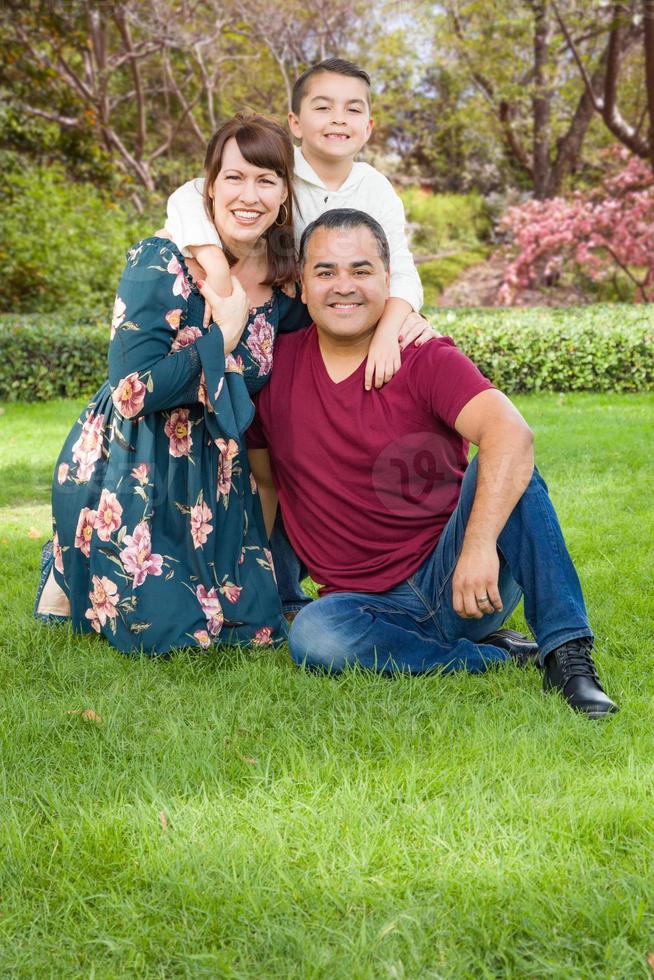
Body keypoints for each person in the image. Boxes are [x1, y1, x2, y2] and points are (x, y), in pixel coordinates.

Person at [242, 208, 618, 719]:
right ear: (302, 288)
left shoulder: (423, 355)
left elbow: (511, 434)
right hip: (363, 605)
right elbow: (266, 485)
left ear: (388, 281)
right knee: (314, 635)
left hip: (464, 578)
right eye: (325, 272)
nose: (343, 286)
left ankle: (568, 654)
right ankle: (487, 655)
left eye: (361, 270)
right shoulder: (274, 368)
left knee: (508, 459)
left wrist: (479, 546)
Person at [35, 113, 316, 655]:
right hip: (138, 462)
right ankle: (72, 556)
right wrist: (224, 335)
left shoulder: (285, 284)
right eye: (234, 178)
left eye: (266, 180)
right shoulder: (160, 258)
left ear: (285, 194)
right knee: (169, 637)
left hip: (220, 478)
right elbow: (131, 392)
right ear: (209, 187)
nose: (248, 195)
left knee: (254, 631)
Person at [165, 59, 425, 392]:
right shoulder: (274, 167)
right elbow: (193, 194)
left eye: (353, 110)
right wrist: (214, 264)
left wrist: (391, 330)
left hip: (334, 317)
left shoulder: (376, 189)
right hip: (273, 317)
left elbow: (400, 268)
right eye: (323, 107)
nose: (339, 118)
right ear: (296, 123)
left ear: (368, 128)